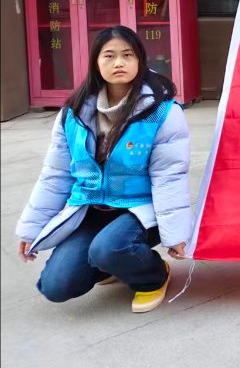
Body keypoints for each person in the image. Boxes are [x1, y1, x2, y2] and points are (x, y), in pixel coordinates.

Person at [15, 26, 192, 314]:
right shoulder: (73, 112)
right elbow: (55, 175)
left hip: (139, 210)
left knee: (108, 249)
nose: (119, 63)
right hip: (90, 209)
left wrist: (176, 235)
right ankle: (115, 263)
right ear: (96, 62)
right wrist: (30, 228)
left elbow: (168, 177)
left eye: (127, 55)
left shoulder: (162, 113)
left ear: (139, 61)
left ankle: (153, 275)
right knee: (56, 286)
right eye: (109, 56)